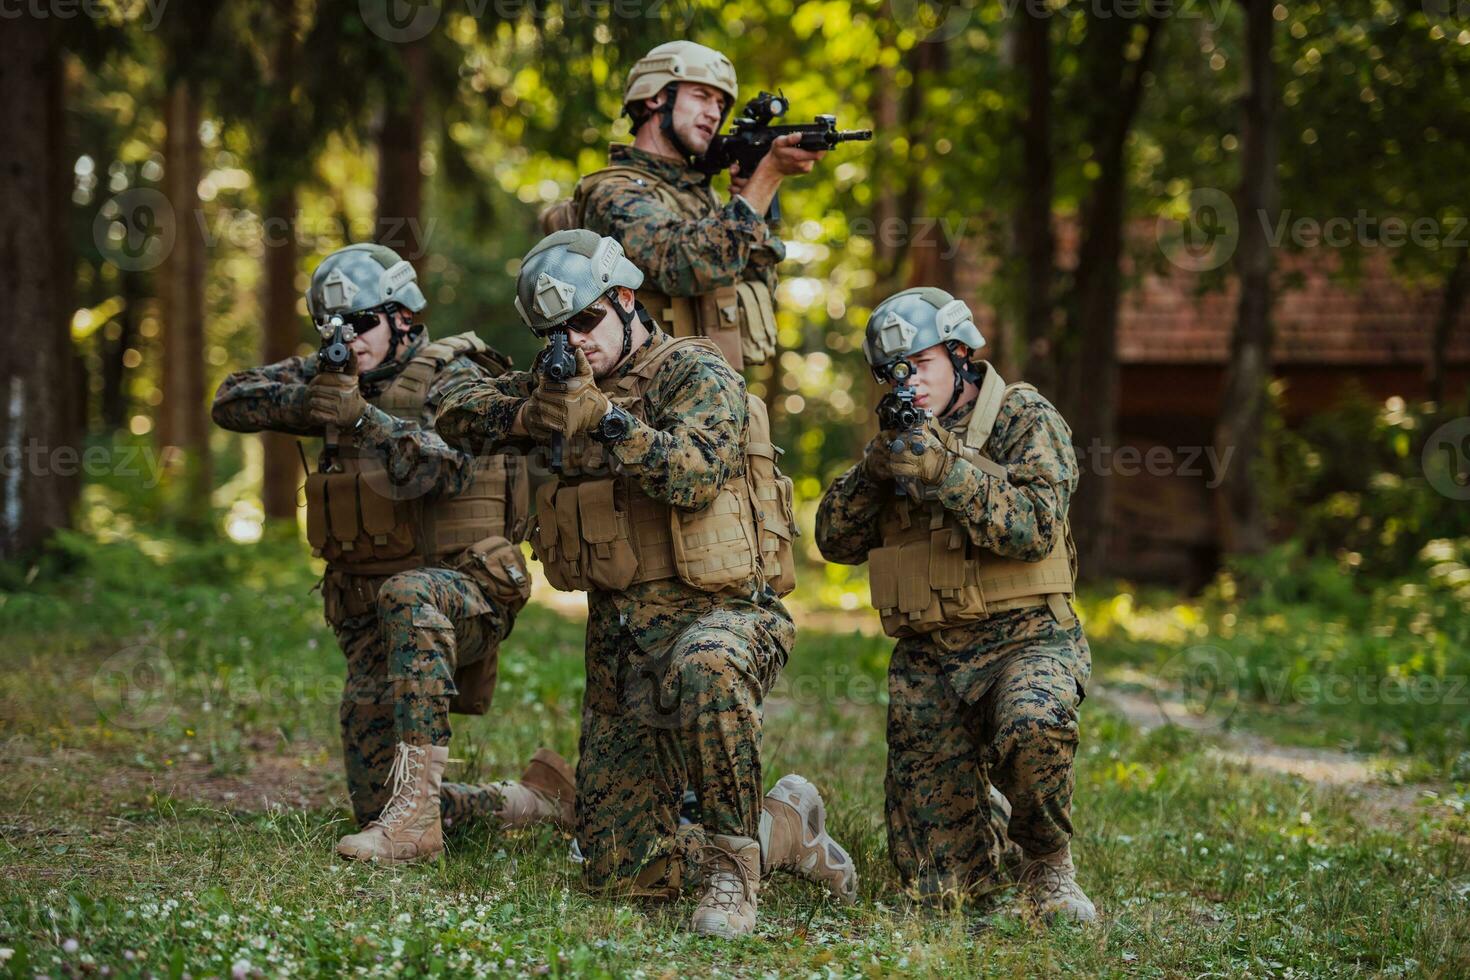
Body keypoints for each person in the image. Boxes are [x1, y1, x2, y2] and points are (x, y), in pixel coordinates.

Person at [435, 229, 856, 937]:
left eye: (586, 322)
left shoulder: (692, 370)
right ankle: (785, 828)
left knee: (709, 669)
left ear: (627, 300)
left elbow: (693, 473)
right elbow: (452, 410)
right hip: (625, 649)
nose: (575, 342)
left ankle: (733, 868)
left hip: (723, 616)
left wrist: (606, 421)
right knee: (623, 871)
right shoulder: (562, 384)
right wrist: (530, 410)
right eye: (555, 332)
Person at [211, 242, 573, 864]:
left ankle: (417, 824)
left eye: (360, 323)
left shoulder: (455, 376)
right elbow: (230, 399)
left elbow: (449, 468)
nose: (345, 338)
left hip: (465, 591)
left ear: (402, 316)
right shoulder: (338, 371)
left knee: (410, 595)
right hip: (372, 616)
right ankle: (529, 801)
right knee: (375, 804)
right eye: (331, 327)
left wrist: (360, 422)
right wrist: (313, 402)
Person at [814, 287, 1097, 922]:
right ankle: (986, 811)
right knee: (941, 895)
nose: (906, 382)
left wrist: (946, 470)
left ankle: (1047, 864)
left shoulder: (1022, 417)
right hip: (931, 661)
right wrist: (875, 471)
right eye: (893, 372)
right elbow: (834, 540)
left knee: (1033, 724)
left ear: (961, 354)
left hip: (1026, 639)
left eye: (920, 364)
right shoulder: (896, 440)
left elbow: (1035, 526)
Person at [541, 40, 826, 372]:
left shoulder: (700, 199)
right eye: (701, 96)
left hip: (715, 406)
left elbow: (757, 280)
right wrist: (767, 177)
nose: (714, 112)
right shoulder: (613, 192)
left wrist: (753, 200)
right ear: (655, 96)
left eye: (721, 103)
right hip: (647, 411)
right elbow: (685, 264)